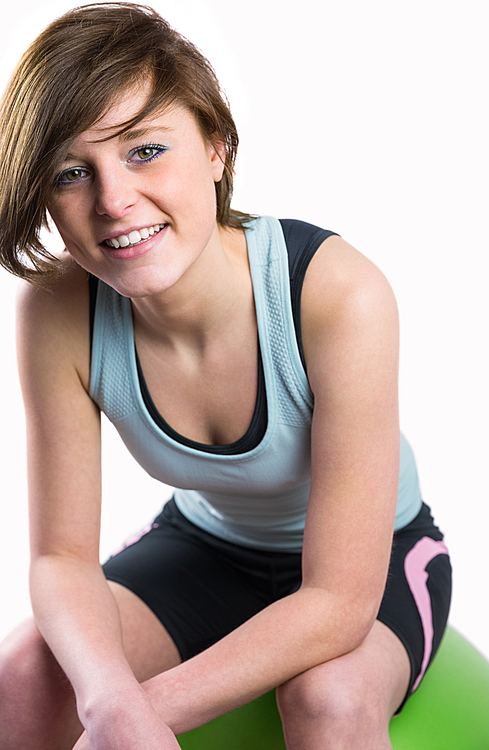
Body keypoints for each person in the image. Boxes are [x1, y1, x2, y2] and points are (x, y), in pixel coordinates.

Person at [0, 3, 452, 749]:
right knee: (24, 673)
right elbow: (60, 557)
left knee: (329, 698)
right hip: (207, 546)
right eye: (72, 172)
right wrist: (108, 700)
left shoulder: (336, 294)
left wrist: (141, 715)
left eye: (145, 150)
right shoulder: (55, 312)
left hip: (377, 562)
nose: (114, 202)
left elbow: (338, 601)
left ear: (216, 146)